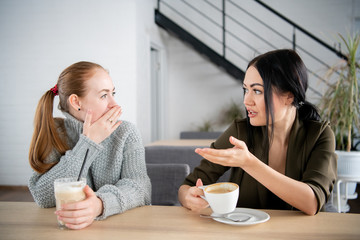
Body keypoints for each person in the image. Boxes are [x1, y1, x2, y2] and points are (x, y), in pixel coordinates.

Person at [178, 49, 337, 215]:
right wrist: (188, 197)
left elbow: (312, 202)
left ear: (289, 96)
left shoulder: (320, 135)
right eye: (246, 89)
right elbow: (188, 185)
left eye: (257, 91)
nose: (246, 101)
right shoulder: (240, 132)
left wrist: (249, 163)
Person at [28, 61, 151, 229]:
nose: (115, 104)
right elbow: (43, 197)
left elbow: (141, 188)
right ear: (76, 102)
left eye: (113, 93)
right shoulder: (54, 132)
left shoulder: (127, 132)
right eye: (103, 95)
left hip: (121, 229)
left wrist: (99, 204)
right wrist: (88, 144)